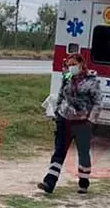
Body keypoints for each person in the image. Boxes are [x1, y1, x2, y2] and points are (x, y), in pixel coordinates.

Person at [38, 52, 103, 195]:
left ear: (82, 64)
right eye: (69, 65)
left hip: (82, 123)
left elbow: (98, 103)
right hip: (64, 120)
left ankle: (83, 182)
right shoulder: (67, 77)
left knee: (83, 153)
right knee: (59, 152)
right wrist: (57, 112)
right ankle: (49, 183)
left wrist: (91, 120)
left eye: (74, 64)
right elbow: (61, 95)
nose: (71, 67)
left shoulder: (92, 81)